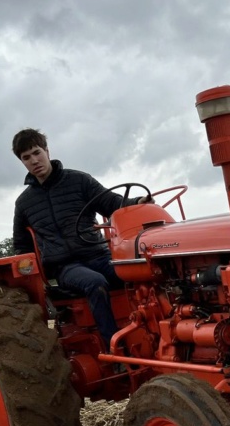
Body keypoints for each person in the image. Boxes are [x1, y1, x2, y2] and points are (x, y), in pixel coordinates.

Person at [11, 128, 150, 350]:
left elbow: (111, 202)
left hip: (97, 255)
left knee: (136, 273)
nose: (34, 160)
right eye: (26, 158)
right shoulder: (24, 202)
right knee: (95, 283)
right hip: (66, 266)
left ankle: (149, 334)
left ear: (47, 151)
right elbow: (21, 245)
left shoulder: (78, 180)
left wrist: (139, 201)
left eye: (37, 152)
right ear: (22, 162)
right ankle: (114, 348)